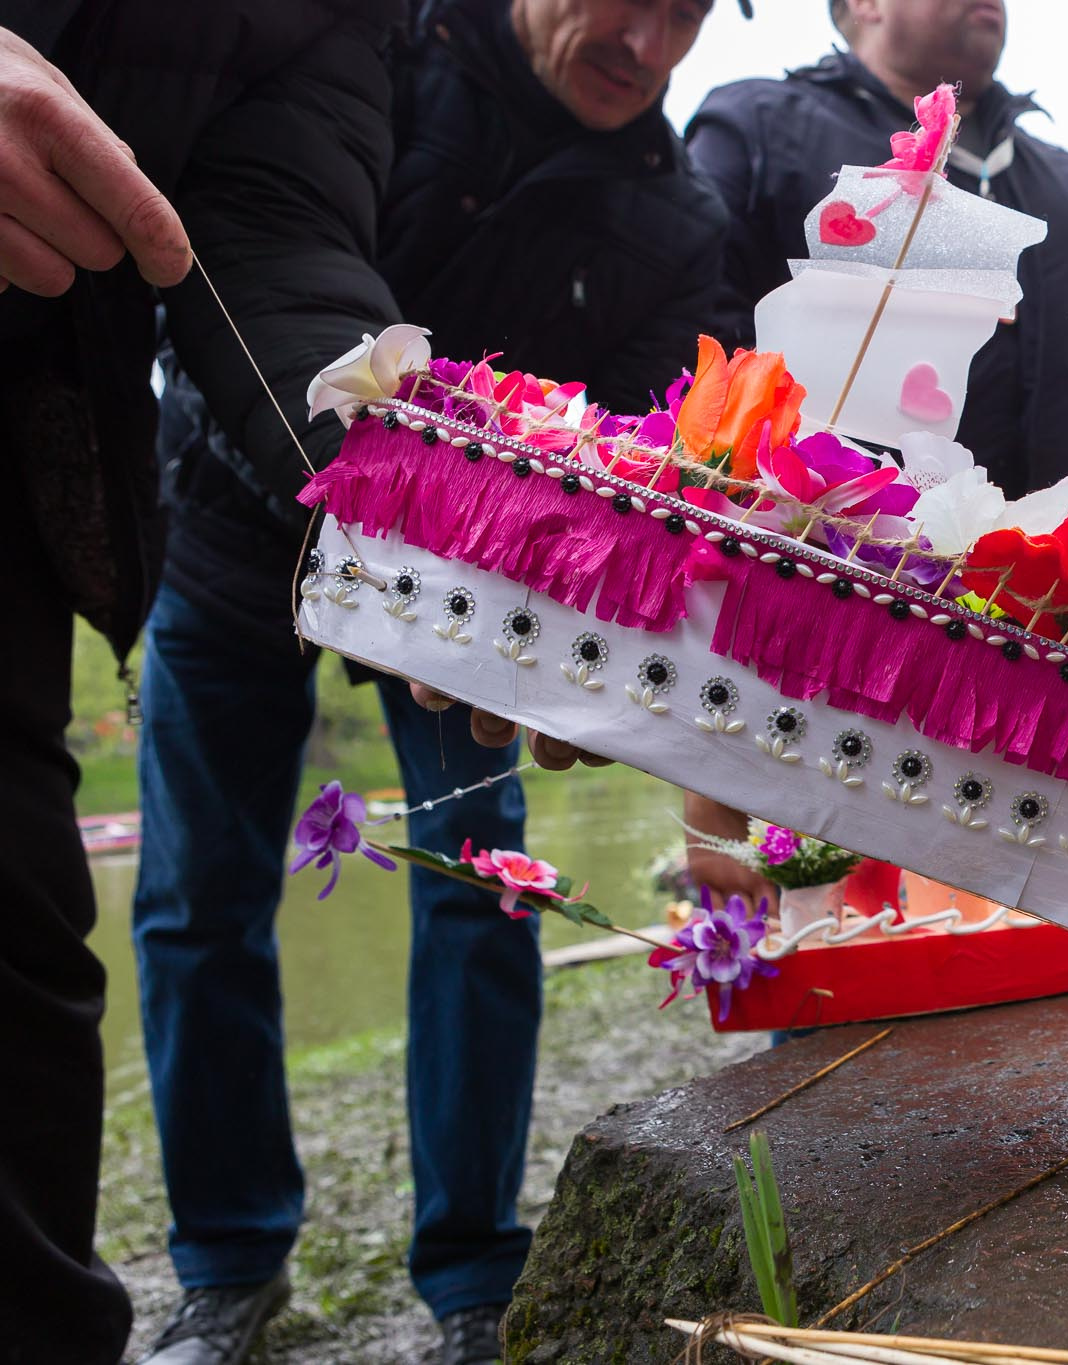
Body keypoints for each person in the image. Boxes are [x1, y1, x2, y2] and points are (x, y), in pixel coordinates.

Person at [130, 2, 729, 1363]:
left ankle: (473, 1274)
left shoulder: (679, 218)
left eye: (687, 13)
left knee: (482, 886)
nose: (645, 40)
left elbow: (639, 447)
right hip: (233, 526)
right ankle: (226, 1256)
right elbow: (240, 237)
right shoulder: (376, 44)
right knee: (196, 899)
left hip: (461, 590)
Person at [0, 8, 397, 1363]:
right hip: (211, 551)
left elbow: (277, 250)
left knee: (21, 922)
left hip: (27, 438)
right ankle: (226, 1254)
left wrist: (432, 532)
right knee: (190, 906)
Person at [682, 0, 1068, 893]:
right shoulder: (758, 126)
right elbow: (689, 298)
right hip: (827, 588)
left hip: (1038, 599)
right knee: (840, 883)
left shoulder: (1062, 185)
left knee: (1027, 872)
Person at [684, 0, 1068, 502]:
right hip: (811, 541)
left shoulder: (1067, 187)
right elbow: (696, 311)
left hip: (1029, 558)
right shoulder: (761, 126)